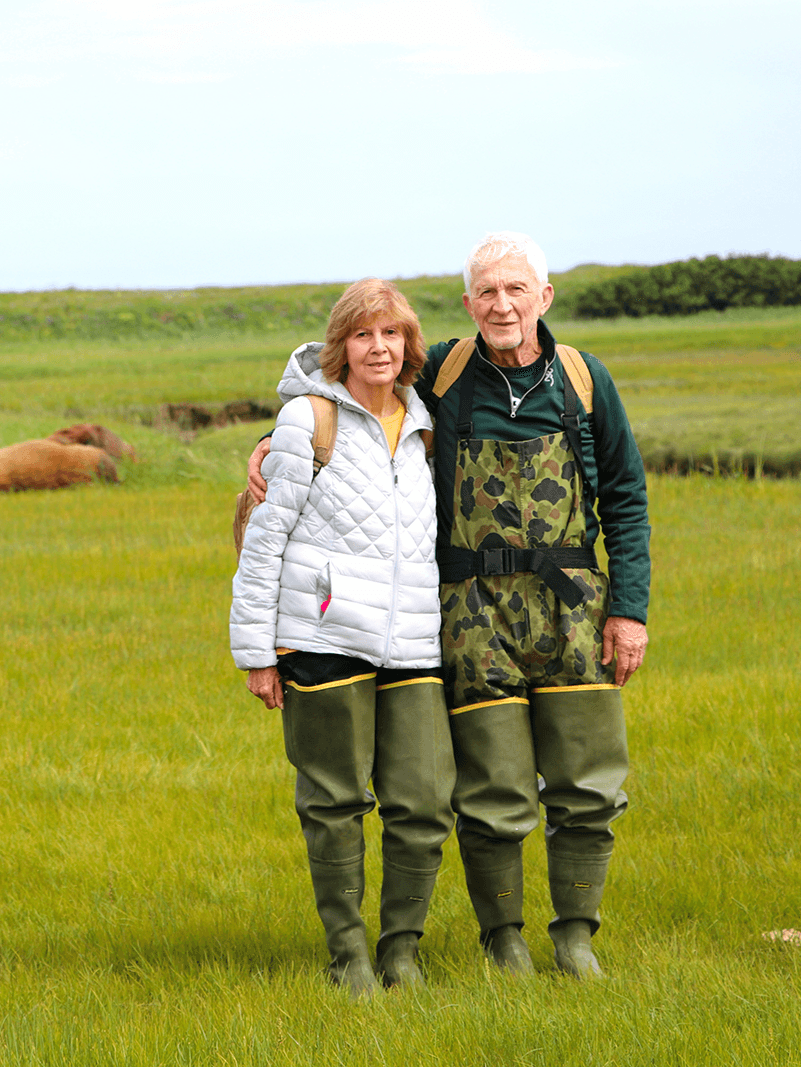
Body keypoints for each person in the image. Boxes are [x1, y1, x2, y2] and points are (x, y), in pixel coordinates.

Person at [245, 233, 651, 978]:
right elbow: (364, 398)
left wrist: (630, 610)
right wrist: (278, 439)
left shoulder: (585, 380)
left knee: (590, 785)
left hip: (573, 608)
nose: (502, 305)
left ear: (544, 297)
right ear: (468, 303)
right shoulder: (448, 377)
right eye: (487, 292)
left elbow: (626, 498)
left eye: (516, 290)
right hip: (470, 616)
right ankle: (505, 939)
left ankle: (576, 938)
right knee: (492, 791)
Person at [230, 278, 454, 997]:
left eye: (391, 334)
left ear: (410, 344)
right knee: (333, 802)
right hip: (322, 635)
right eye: (363, 335)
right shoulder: (307, 420)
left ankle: (402, 949)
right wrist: (257, 651)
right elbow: (265, 541)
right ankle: (349, 955)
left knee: (423, 801)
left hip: (415, 639)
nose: (379, 347)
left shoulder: (427, 422)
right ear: (341, 346)